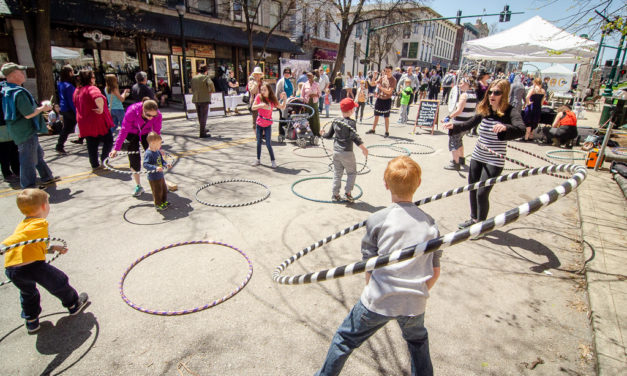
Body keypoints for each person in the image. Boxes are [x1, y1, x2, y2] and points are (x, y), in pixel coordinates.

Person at [314, 155, 441, 376]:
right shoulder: (431, 225)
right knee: (418, 342)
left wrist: (375, 291)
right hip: (414, 303)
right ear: (419, 183)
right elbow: (435, 271)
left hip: (378, 298)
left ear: (385, 184)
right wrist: (415, 292)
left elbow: (368, 265)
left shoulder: (378, 219)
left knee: (345, 339)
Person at [2, 188, 89, 334]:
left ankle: (31, 320)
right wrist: (4, 245)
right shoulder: (39, 223)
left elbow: (34, 244)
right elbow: (18, 239)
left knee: (28, 293)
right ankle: (73, 304)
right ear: (44, 206)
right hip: (33, 266)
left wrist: (53, 248)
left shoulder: (24, 223)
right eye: (48, 203)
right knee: (59, 282)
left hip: (13, 269)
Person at [443, 79, 525, 230]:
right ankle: (474, 219)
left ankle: (481, 225)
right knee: (472, 188)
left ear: (504, 94)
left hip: (494, 159)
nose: (492, 95)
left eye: (497, 93)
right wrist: (453, 126)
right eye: (490, 92)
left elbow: (521, 129)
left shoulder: (510, 112)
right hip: (478, 155)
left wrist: (505, 127)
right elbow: (468, 124)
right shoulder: (485, 109)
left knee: (482, 193)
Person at [0, 63, 59, 189]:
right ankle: (29, 187)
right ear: (13, 75)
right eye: (20, 72)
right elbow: (28, 114)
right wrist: (44, 107)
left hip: (19, 130)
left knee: (36, 154)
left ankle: (47, 176)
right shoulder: (18, 92)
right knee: (28, 159)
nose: (23, 74)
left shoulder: (6, 89)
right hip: (25, 130)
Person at [110, 98, 162, 197]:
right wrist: (116, 148)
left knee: (154, 157)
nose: (151, 118)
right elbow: (123, 131)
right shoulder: (132, 111)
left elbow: (156, 131)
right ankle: (138, 186)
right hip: (132, 133)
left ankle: (159, 181)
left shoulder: (158, 115)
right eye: (148, 115)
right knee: (134, 159)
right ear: (143, 109)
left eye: (153, 116)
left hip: (147, 133)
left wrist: (158, 146)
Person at [322, 98, 368, 203]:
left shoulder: (335, 121)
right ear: (351, 111)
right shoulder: (351, 123)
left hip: (336, 152)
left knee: (337, 173)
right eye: (354, 109)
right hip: (347, 152)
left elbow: (328, 135)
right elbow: (354, 137)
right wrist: (363, 148)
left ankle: (335, 194)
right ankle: (348, 193)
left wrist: (322, 134)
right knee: (351, 173)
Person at [73, 70, 114, 171]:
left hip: (84, 121)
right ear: (89, 79)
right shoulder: (91, 88)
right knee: (108, 141)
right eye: (93, 77)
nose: (94, 79)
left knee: (91, 143)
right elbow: (97, 97)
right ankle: (104, 160)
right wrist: (100, 108)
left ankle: (94, 164)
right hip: (96, 121)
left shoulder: (78, 90)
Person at [443, 77, 477, 171]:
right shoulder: (474, 94)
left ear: (467, 84)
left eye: (461, 83)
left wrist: (448, 117)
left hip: (458, 123)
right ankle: (461, 159)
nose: (459, 85)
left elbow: (459, 110)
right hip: (467, 124)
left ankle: (455, 163)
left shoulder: (464, 95)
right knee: (459, 140)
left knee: (453, 142)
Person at [251, 83, 287, 168]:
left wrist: (285, 99)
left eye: (265, 90)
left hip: (267, 124)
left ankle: (273, 161)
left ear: (269, 91)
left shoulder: (272, 99)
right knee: (259, 142)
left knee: (268, 143)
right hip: (259, 123)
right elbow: (253, 107)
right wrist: (261, 105)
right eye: (262, 90)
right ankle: (258, 159)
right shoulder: (259, 97)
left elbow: (282, 107)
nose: (263, 92)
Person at [143, 131, 172, 211]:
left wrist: (166, 164)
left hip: (160, 175)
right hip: (153, 177)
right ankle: (158, 204)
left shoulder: (157, 151)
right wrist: (155, 168)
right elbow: (145, 164)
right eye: (159, 143)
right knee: (157, 191)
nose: (160, 145)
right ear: (152, 143)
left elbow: (162, 161)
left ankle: (163, 201)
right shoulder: (148, 153)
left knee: (164, 189)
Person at [56, 64, 81, 153]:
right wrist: (77, 111)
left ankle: (59, 145)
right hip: (70, 109)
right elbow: (72, 100)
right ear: (69, 73)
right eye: (72, 71)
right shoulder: (69, 86)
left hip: (64, 108)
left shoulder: (60, 84)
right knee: (82, 123)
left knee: (67, 128)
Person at [366, 65, 396, 137]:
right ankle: (373, 129)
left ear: (391, 71)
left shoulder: (393, 80)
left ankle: (386, 132)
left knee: (386, 117)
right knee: (376, 115)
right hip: (379, 99)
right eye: (386, 71)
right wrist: (374, 76)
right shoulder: (382, 77)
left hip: (387, 100)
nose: (387, 72)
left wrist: (380, 88)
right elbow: (372, 84)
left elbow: (389, 92)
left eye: (388, 71)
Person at [190, 64, 215, 138]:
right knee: (204, 116)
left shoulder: (194, 78)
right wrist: (211, 91)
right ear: (206, 71)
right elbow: (211, 84)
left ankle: (203, 129)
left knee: (200, 116)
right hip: (204, 99)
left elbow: (192, 88)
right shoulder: (206, 77)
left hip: (196, 99)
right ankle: (202, 133)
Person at [0, 90, 20, 182]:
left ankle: (17, 170)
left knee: (14, 148)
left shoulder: (5, 92)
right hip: (2, 125)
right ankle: (7, 173)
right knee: (5, 150)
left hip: (10, 123)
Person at [275, 67, 294, 137]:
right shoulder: (281, 81)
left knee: (288, 117)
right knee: (282, 118)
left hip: (289, 102)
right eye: (286, 72)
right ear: (283, 73)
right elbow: (277, 92)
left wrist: (292, 96)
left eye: (288, 72)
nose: (287, 74)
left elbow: (292, 91)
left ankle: (288, 133)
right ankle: (281, 133)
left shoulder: (290, 82)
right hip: (282, 102)